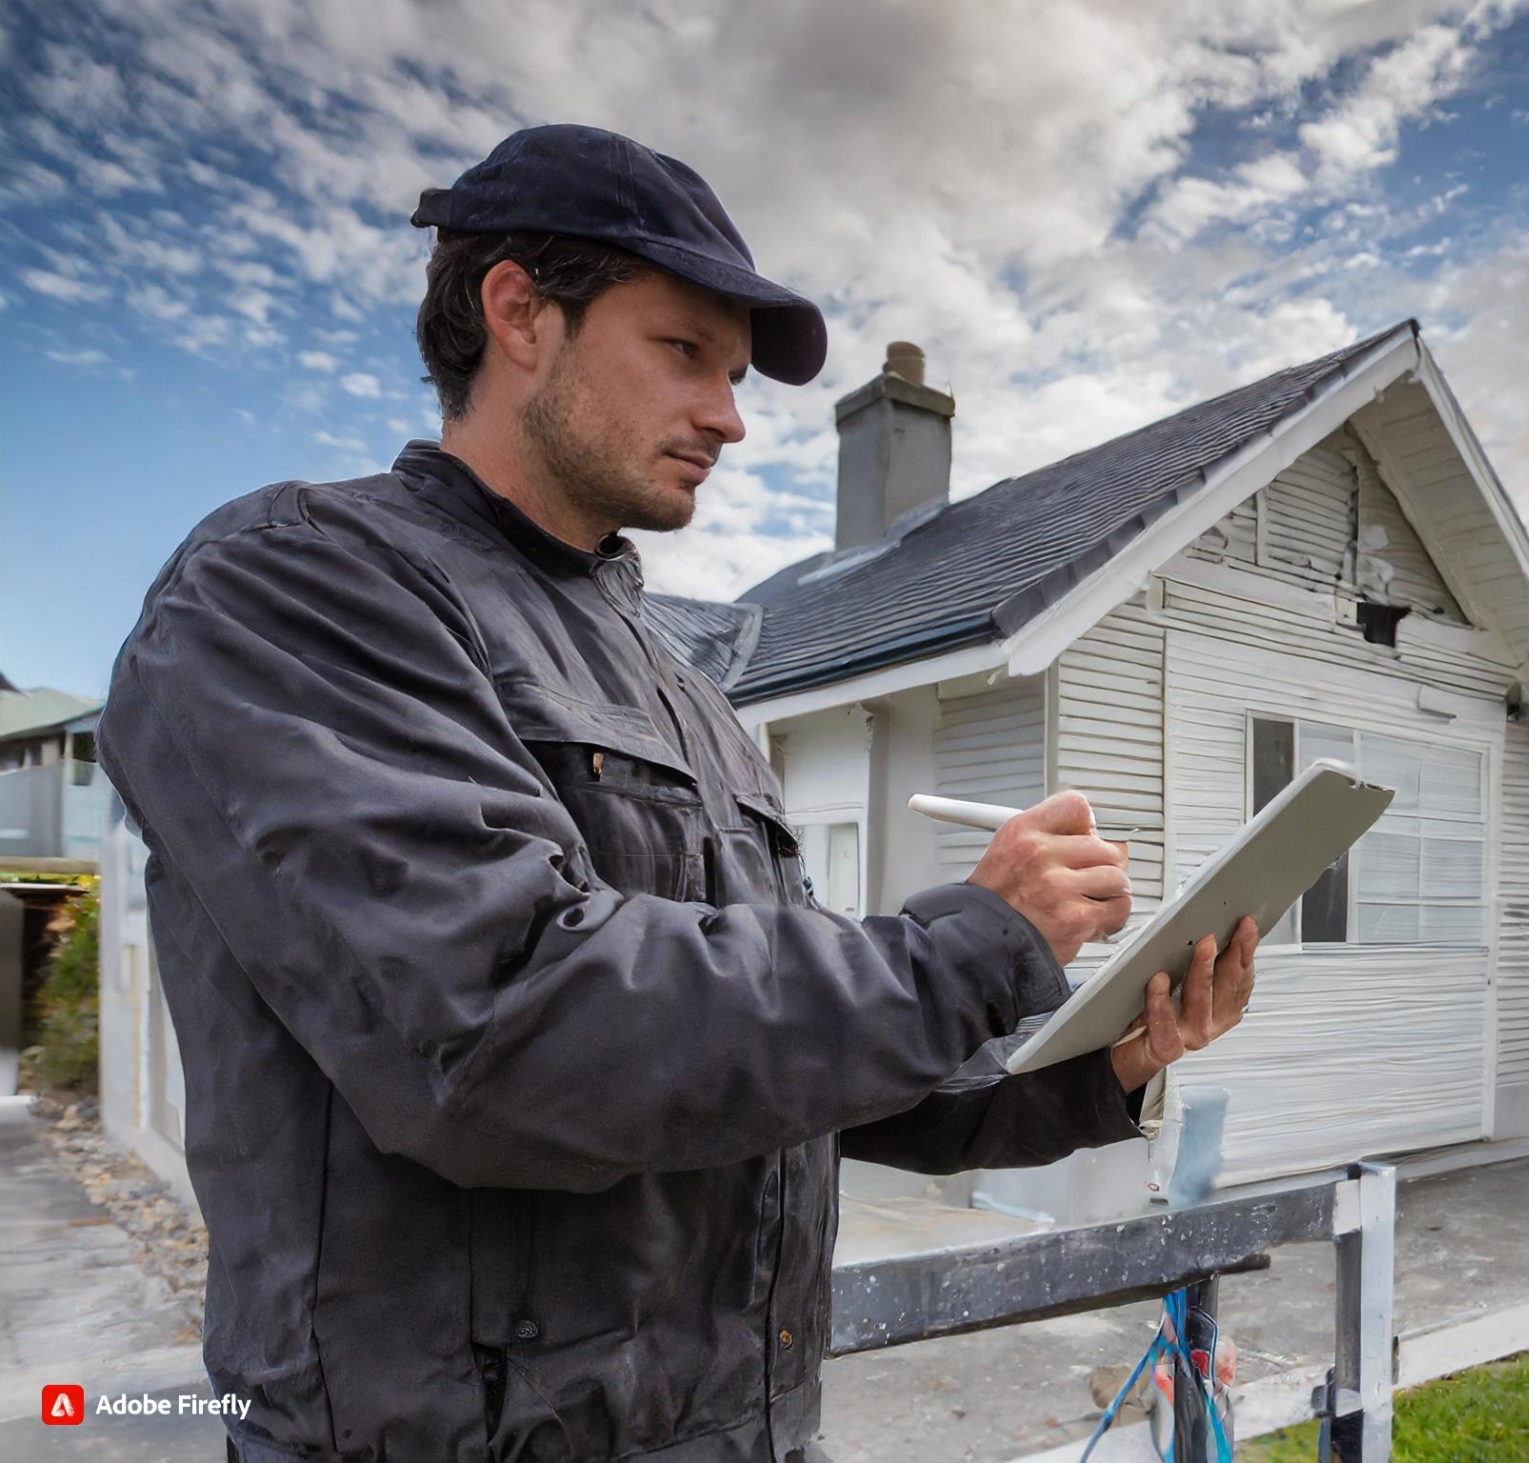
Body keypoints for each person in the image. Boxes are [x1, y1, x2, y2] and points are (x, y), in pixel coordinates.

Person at [96, 123, 1258, 1463]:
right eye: (683, 354)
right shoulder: (292, 588)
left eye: (736, 374)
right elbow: (504, 1030)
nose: (729, 414)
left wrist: (1100, 1063)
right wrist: (967, 949)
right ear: (519, 312)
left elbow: (778, 1075)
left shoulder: (683, 683)